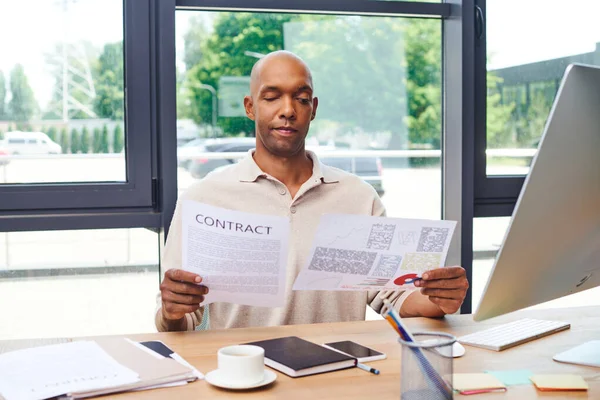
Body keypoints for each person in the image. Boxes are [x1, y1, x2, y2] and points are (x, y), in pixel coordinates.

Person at [156, 50, 468, 332]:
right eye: (272, 97)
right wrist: (171, 311)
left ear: (313, 109)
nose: (288, 110)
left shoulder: (357, 197)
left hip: (338, 375)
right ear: (250, 107)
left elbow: (393, 298)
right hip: (242, 379)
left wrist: (439, 299)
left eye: (301, 98)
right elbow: (176, 321)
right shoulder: (204, 198)